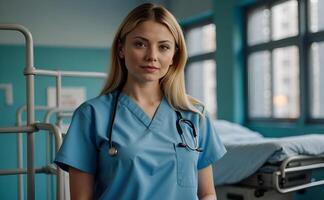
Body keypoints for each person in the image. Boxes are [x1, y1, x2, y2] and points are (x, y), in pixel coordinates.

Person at [54, 3, 226, 200]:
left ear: (173, 56)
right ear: (121, 49)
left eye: (163, 47)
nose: (152, 56)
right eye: (140, 44)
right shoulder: (91, 115)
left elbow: (207, 193)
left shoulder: (195, 115)